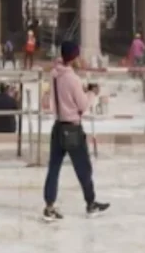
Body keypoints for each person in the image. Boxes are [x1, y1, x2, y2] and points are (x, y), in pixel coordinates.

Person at [42, 41, 109, 221]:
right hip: (72, 128)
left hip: (58, 127)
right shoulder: (72, 79)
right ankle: (91, 203)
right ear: (74, 57)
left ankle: (49, 206)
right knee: (83, 168)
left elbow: (62, 96)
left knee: (53, 169)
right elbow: (83, 104)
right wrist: (92, 93)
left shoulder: (55, 74)